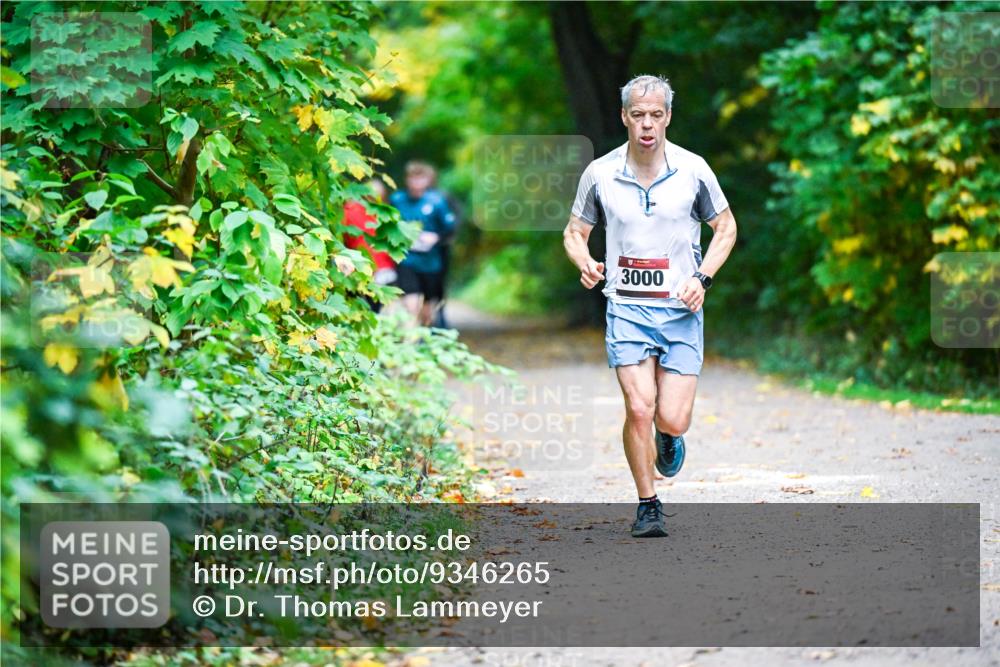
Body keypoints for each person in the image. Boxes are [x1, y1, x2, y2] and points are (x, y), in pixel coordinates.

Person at [563, 75, 738, 538]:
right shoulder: (600, 173)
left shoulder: (694, 170)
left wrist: (702, 279)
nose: (647, 124)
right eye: (637, 115)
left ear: (668, 118)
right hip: (627, 308)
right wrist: (584, 261)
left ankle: (669, 436)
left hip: (680, 308)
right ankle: (648, 504)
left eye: (656, 115)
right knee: (639, 407)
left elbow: (726, 228)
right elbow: (574, 232)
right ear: (624, 117)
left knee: (671, 416)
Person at [390, 161, 457, 326]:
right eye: (413, 179)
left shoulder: (437, 201)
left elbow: (450, 229)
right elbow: (387, 226)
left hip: (430, 263)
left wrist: (435, 238)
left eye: (420, 179)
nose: (416, 183)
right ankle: (411, 343)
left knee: (427, 311)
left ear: (427, 181)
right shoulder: (397, 200)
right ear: (407, 180)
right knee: (411, 305)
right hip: (406, 259)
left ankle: (425, 339)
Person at [343, 178, 396, 312]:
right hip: (358, 267)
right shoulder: (351, 210)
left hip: (379, 269)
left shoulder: (386, 214)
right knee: (366, 308)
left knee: (367, 309)